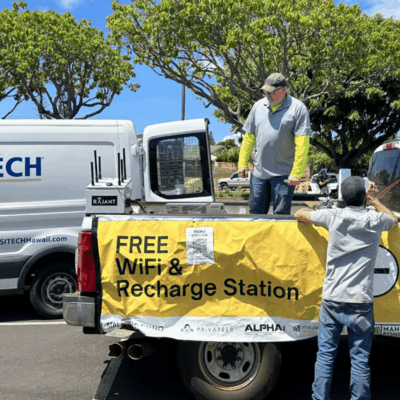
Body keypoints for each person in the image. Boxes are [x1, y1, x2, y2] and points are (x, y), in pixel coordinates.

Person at [294, 176, 398, 400]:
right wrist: (374, 201)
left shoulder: (333, 216)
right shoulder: (374, 219)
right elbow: (394, 220)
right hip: (361, 300)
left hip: (332, 298)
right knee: (359, 359)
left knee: (325, 356)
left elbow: (299, 214)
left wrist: (314, 208)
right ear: (363, 197)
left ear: (341, 197)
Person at [237, 72, 311, 214]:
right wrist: (242, 163)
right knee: (255, 215)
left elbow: (302, 144)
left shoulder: (298, 108)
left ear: (283, 90)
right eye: (265, 92)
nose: (268, 95)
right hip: (259, 174)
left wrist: (296, 172)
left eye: (271, 92)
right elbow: (249, 138)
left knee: (281, 216)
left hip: (284, 175)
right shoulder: (258, 106)